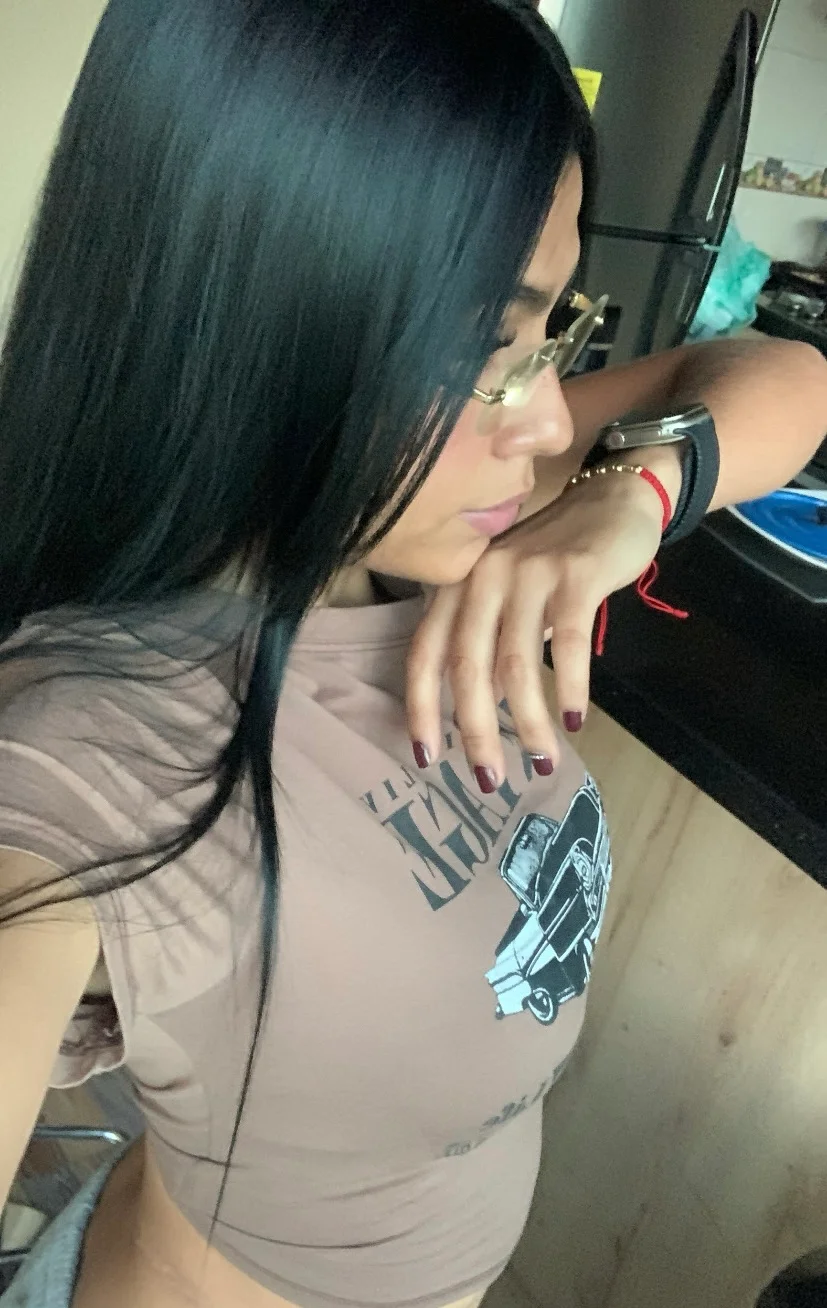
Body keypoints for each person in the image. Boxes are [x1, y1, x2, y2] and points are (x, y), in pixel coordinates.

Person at [0, 2, 825, 1307]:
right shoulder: (77, 760)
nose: (545, 418)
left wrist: (633, 493)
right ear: (266, 324)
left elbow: (786, 374)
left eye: (550, 335)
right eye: (484, 349)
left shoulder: (402, 518)